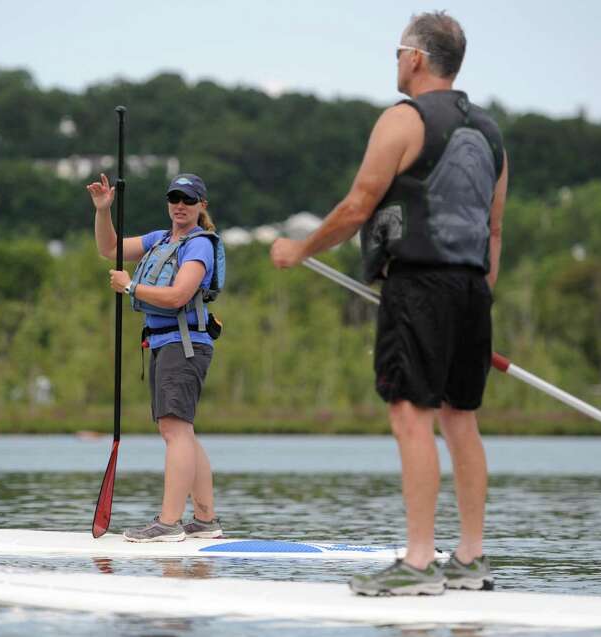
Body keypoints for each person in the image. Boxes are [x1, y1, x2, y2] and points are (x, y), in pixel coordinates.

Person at [270, 11, 508, 596]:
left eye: (397, 51)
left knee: (411, 417)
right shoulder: (492, 131)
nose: (395, 61)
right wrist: (477, 298)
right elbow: (494, 230)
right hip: (473, 288)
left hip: (419, 286)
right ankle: (470, 558)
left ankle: (421, 562)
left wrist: (299, 249)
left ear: (417, 59)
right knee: (461, 418)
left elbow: (357, 206)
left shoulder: (402, 120)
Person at [88, 172, 223, 542]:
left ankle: (168, 523)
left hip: (185, 344)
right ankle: (205, 521)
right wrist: (103, 211)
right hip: (165, 343)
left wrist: (131, 286)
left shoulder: (199, 246)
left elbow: (179, 295)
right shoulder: (160, 239)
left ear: (201, 206)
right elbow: (109, 248)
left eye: (189, 200)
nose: (180, 205)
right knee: (183, 432)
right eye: (175, 198)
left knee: (174, 429)